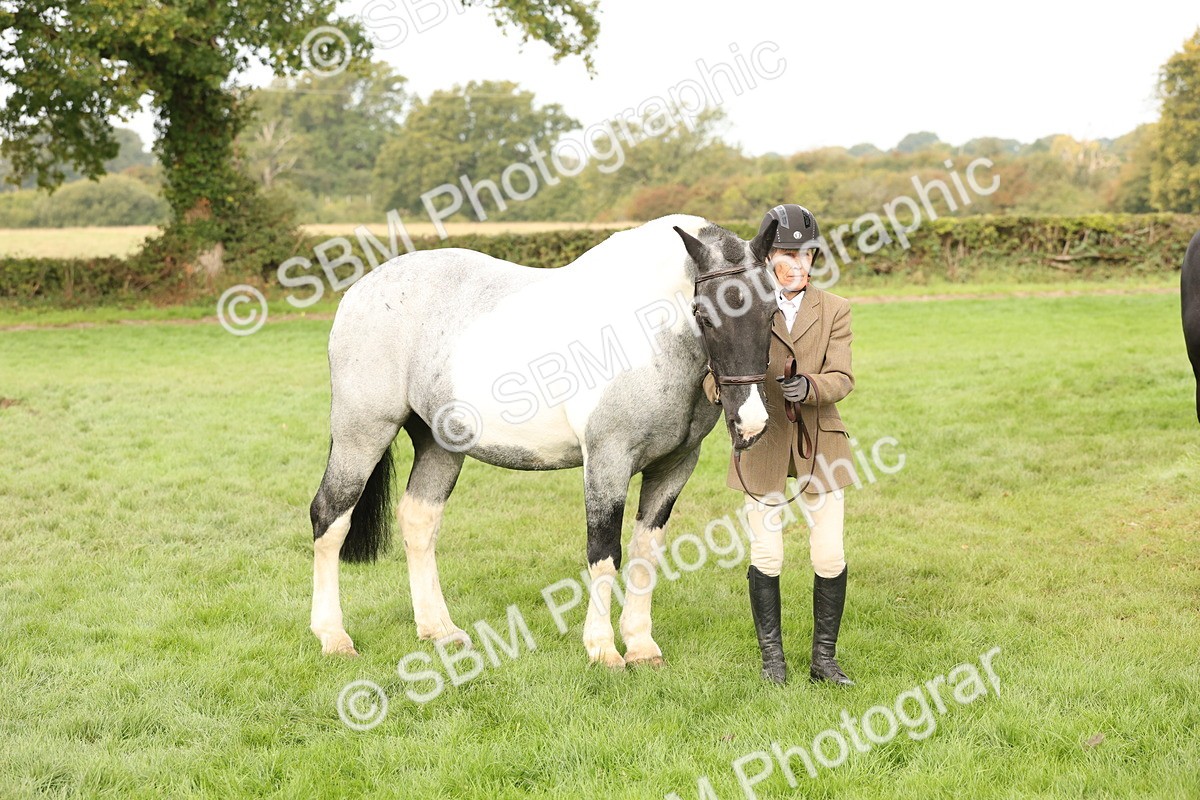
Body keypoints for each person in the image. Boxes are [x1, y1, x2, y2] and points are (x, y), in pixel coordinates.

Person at [734, 203, 858, 686]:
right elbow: (712, 380)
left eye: (806, 254)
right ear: (766, 257)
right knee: (767, 555)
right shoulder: (741, 308)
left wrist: (811, 387)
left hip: (819, 440)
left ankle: (824, 660)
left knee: (829, 554)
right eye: (787, 253)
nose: (798, 264)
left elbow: (843, 377)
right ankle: (772, 661)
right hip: (761, 441)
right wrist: (737, 390)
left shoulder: (836, 309)